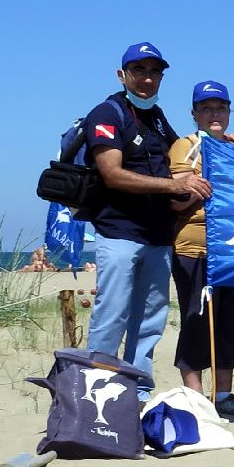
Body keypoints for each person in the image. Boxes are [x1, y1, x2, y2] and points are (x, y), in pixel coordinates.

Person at [84, 42, 210, 393]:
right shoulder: (107, 114)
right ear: (122, 75)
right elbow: (113, 174)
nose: (147, 78)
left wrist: (219, 140)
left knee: (150, 323)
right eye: (139, 70)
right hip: (119, 233)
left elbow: (184, 151)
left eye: (155, 72)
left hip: (158, 236)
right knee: (112, 317)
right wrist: (172, 185)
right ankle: (97, 393)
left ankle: (137, 395)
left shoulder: (156, 117)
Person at [167, 81, 234, 418]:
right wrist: (199, 185)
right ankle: (195, 396)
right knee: (196, 319)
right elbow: (176, 202)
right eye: (206, 108)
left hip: (232, 249)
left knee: (230, 322)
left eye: (220, 108)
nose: (214, 114)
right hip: (194, 247)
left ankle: (225, 394)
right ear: (194, 113)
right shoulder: (184, 147)